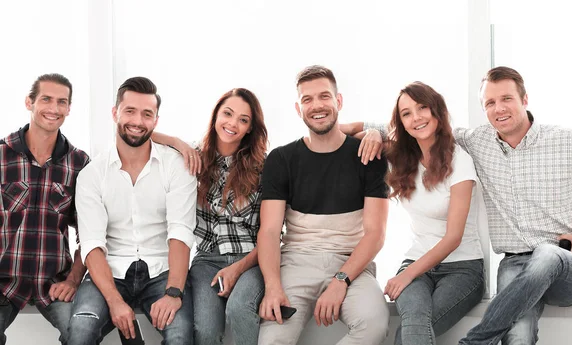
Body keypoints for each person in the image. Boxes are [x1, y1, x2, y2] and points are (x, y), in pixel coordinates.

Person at [352, 66, 572, 345]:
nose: (499, 109)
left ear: (525, 99)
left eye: (506, 99)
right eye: (490, 103)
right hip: (515, 263)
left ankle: (476, 342)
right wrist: (370, 131)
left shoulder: (571, 143)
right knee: (518, 335)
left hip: (569, 266)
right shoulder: (478, 142)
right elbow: (420, 128)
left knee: (547, 254)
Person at [257, 65, 390, 345]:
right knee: (272, 341)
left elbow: (375, 234)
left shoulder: (369, 155)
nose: (317, 105)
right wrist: (272, 287)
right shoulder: (281, 159)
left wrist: (341, 280)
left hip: (351, 263)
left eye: (324, 97)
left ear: (338, 101)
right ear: (298, 108)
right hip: (295, 263)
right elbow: (269, 231)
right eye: (307, 99)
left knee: (373, 324)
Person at [68, 77, 196, 345]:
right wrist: (115, 301)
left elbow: (180, 232)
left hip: (162, 270)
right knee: (80, 332)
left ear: (156, 121)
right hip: (109, 271)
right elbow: (92, 243)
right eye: (130, 111)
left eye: (147, 114)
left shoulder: (176, 166)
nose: (138, 121)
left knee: (181, 337)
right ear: (115, 113)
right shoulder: (93, 174)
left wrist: (173, 292)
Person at [152, 88, 268, 345]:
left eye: (243, 119)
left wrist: (237, 268)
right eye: (227, 113)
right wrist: (179, 143)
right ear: (216, 115)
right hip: (207, 261)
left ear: (250, 128)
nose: (232, 123)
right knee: (205, 331)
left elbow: (271, 236)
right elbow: (142, 133)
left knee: (238, 310)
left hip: (250, 259)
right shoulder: (193, 157)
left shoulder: (263, 167)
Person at [380, 82, 484, 345]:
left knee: (410, 333)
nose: (416, 117)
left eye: (422, 107)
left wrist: (405, 275)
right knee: (413, 323)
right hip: (416, 261)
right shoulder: (402, 158)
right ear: (401, 123)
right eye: (406, 113)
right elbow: (346, 130)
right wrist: (371, 132)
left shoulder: (460, 160)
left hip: (462, 268)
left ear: (436, 110)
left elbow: (453, 238)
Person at [0, 73, 89, 345]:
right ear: (29, 102)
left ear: (69, 109)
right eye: (46, 99)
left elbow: (90, 233)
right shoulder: (2, 155)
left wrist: (73, 281)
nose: (54, 108)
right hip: (3, 282)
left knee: (82, 335)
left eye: (62, 102)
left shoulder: (79, 163)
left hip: (54, 283)